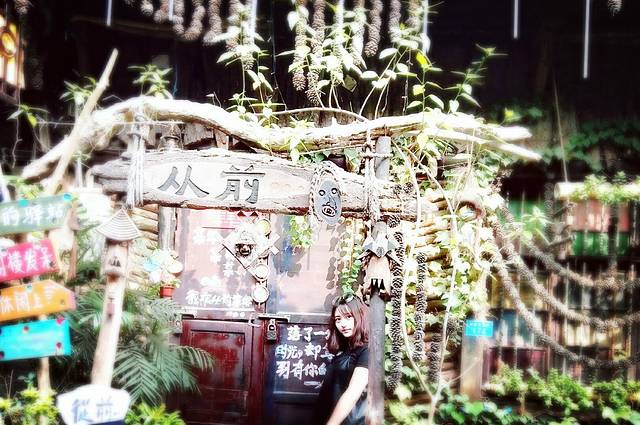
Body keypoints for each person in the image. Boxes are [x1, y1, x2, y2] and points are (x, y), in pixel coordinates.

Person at [314, 294, 369, 425]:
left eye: (348, 317)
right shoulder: (346, 349)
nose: (342, 324)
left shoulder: (368, 350)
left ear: (360, 317)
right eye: (338, 319)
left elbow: (353, 393)